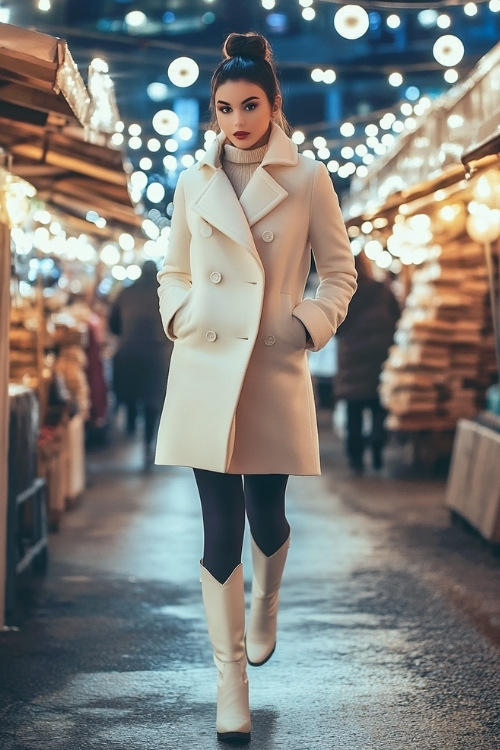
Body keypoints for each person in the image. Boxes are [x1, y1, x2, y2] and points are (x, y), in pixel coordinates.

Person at [155, 32, 357, 743]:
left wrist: (305, 325)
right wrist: (182, 312)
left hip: (272, 365)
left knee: (266, 513)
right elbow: (173, 270)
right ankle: (229, 681)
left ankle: (266, 599)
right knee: (218, 526)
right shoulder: (190, 183)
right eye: (222, 107)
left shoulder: (309, 181)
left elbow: (339, 273)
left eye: (249, 104)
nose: (236, 119)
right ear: (212, 114)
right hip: (207, 366)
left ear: (274, 106)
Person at [335, 252, 400, 474]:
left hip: (352, 360)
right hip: (378, 357)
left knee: (354, 412)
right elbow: (397, 316)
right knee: (377, 407)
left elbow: (334, 326)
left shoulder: (343, 292)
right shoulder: (382, 289)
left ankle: (355, 459)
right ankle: (377, 446)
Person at [109, 260, 173, 470]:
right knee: (152, 401)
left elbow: (112, 324)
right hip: (157, 354)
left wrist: (126, 334)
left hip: (129, 350)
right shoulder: (164, 293)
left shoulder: (126, 292)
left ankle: (129, 423)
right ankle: (147, 443)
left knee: (130, 390)